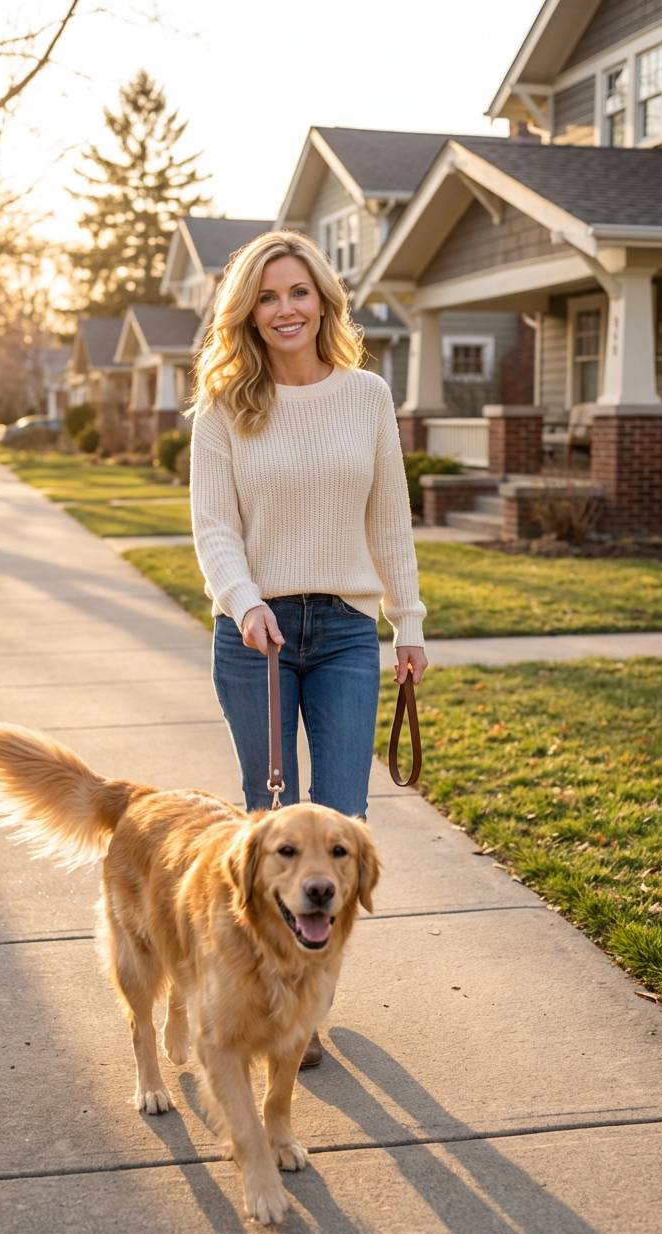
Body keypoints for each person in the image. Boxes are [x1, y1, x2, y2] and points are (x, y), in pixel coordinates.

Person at [189, 230, 427, 1066]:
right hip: (253, 636)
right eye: (266, 296)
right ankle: (267, 999)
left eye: (297, 292)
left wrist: (409, 623)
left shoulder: (365, 395)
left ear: (323, 300)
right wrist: (245, 602)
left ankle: (309, 1005)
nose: (284, 309)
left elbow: (388, 520)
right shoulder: (223, 406)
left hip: (345, 633)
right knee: (269, 825)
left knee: (343, 824)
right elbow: (214, 530)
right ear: (247, 313)